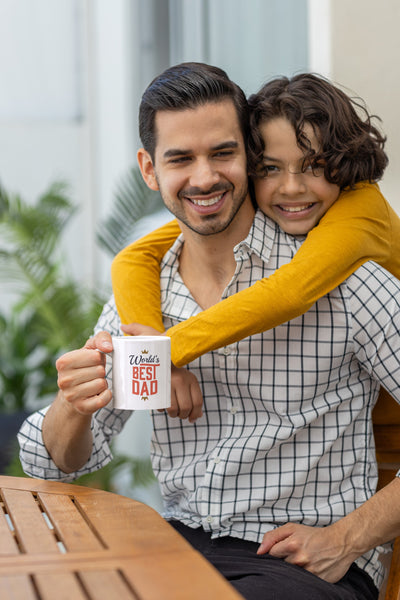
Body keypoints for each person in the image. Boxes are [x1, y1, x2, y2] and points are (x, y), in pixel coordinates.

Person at [18, 63, 400, 600]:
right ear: (150, 170)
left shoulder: (344, 277)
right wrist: (73, 407)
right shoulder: (142, 295)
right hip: (177, 548)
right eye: (180, 159)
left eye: (222, 153)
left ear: (247, 155)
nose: (204, 178)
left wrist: (347, 538)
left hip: (304, 563)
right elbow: (49, 463)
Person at [111, 75, 400, 368]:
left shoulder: (361, 208)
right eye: (270, 167)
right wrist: (147, 347)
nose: (291, 188)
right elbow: (134, 257)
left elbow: (290, 292)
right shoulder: (253, 199)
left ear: (344, 159)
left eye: (315, 165)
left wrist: (164, 352)